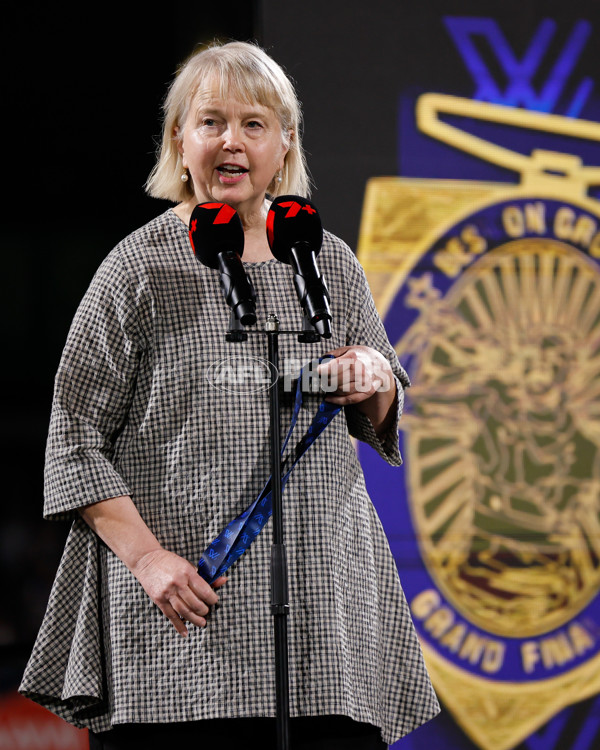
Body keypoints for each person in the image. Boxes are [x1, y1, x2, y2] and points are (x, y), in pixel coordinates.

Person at [19, 40, 440, 749]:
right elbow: (73, 439)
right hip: (184, 620)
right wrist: (149, 561)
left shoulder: (328, 259)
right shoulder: (137, 267)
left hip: (321, 626)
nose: (231, 141)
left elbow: (384, 409)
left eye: (254, 123)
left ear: (285, 145)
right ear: (178, 140)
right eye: (210, 121)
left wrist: (374, 379)